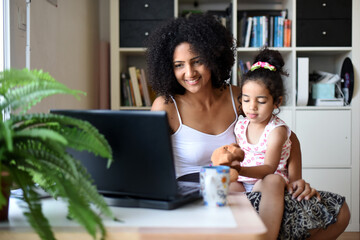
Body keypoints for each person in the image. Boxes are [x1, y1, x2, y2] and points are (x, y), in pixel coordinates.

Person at [145, 13, 350, 240]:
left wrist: (296, 179)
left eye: (197, 61)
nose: (189, 73)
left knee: (340, 212)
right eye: (178, 65)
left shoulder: (237, 97)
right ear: (168, 68)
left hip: (250, 192)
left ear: (212, 58)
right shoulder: (166, 106)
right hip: (197, 198)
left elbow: (287, 137)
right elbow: (153, 168)